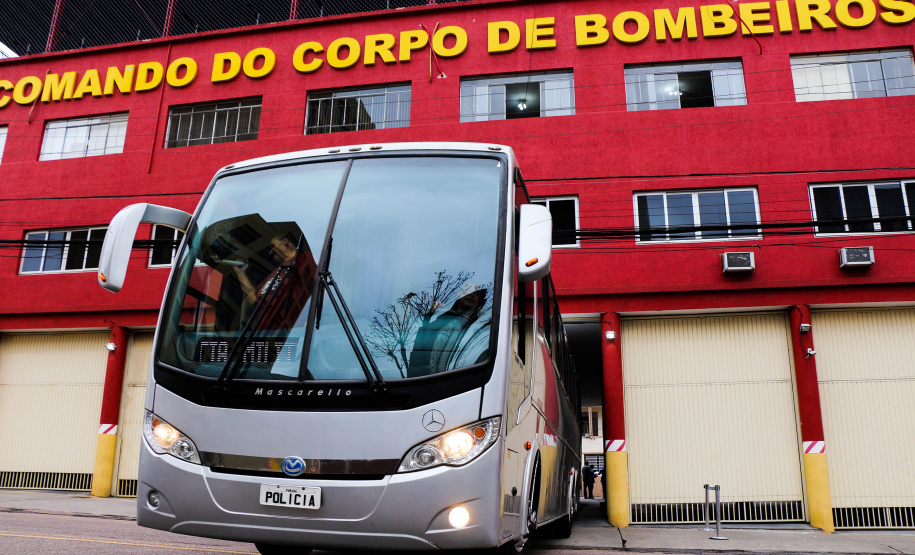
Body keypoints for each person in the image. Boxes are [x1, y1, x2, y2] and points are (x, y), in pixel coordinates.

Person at [233, 229, 317, 331]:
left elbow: (321, 291)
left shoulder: (307, 258)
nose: (270, 252)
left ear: (285, 241)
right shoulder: (274, 274)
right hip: (263, 337)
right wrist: (241, 273)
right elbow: (254, 299)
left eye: (272, 246)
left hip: (292, 334)